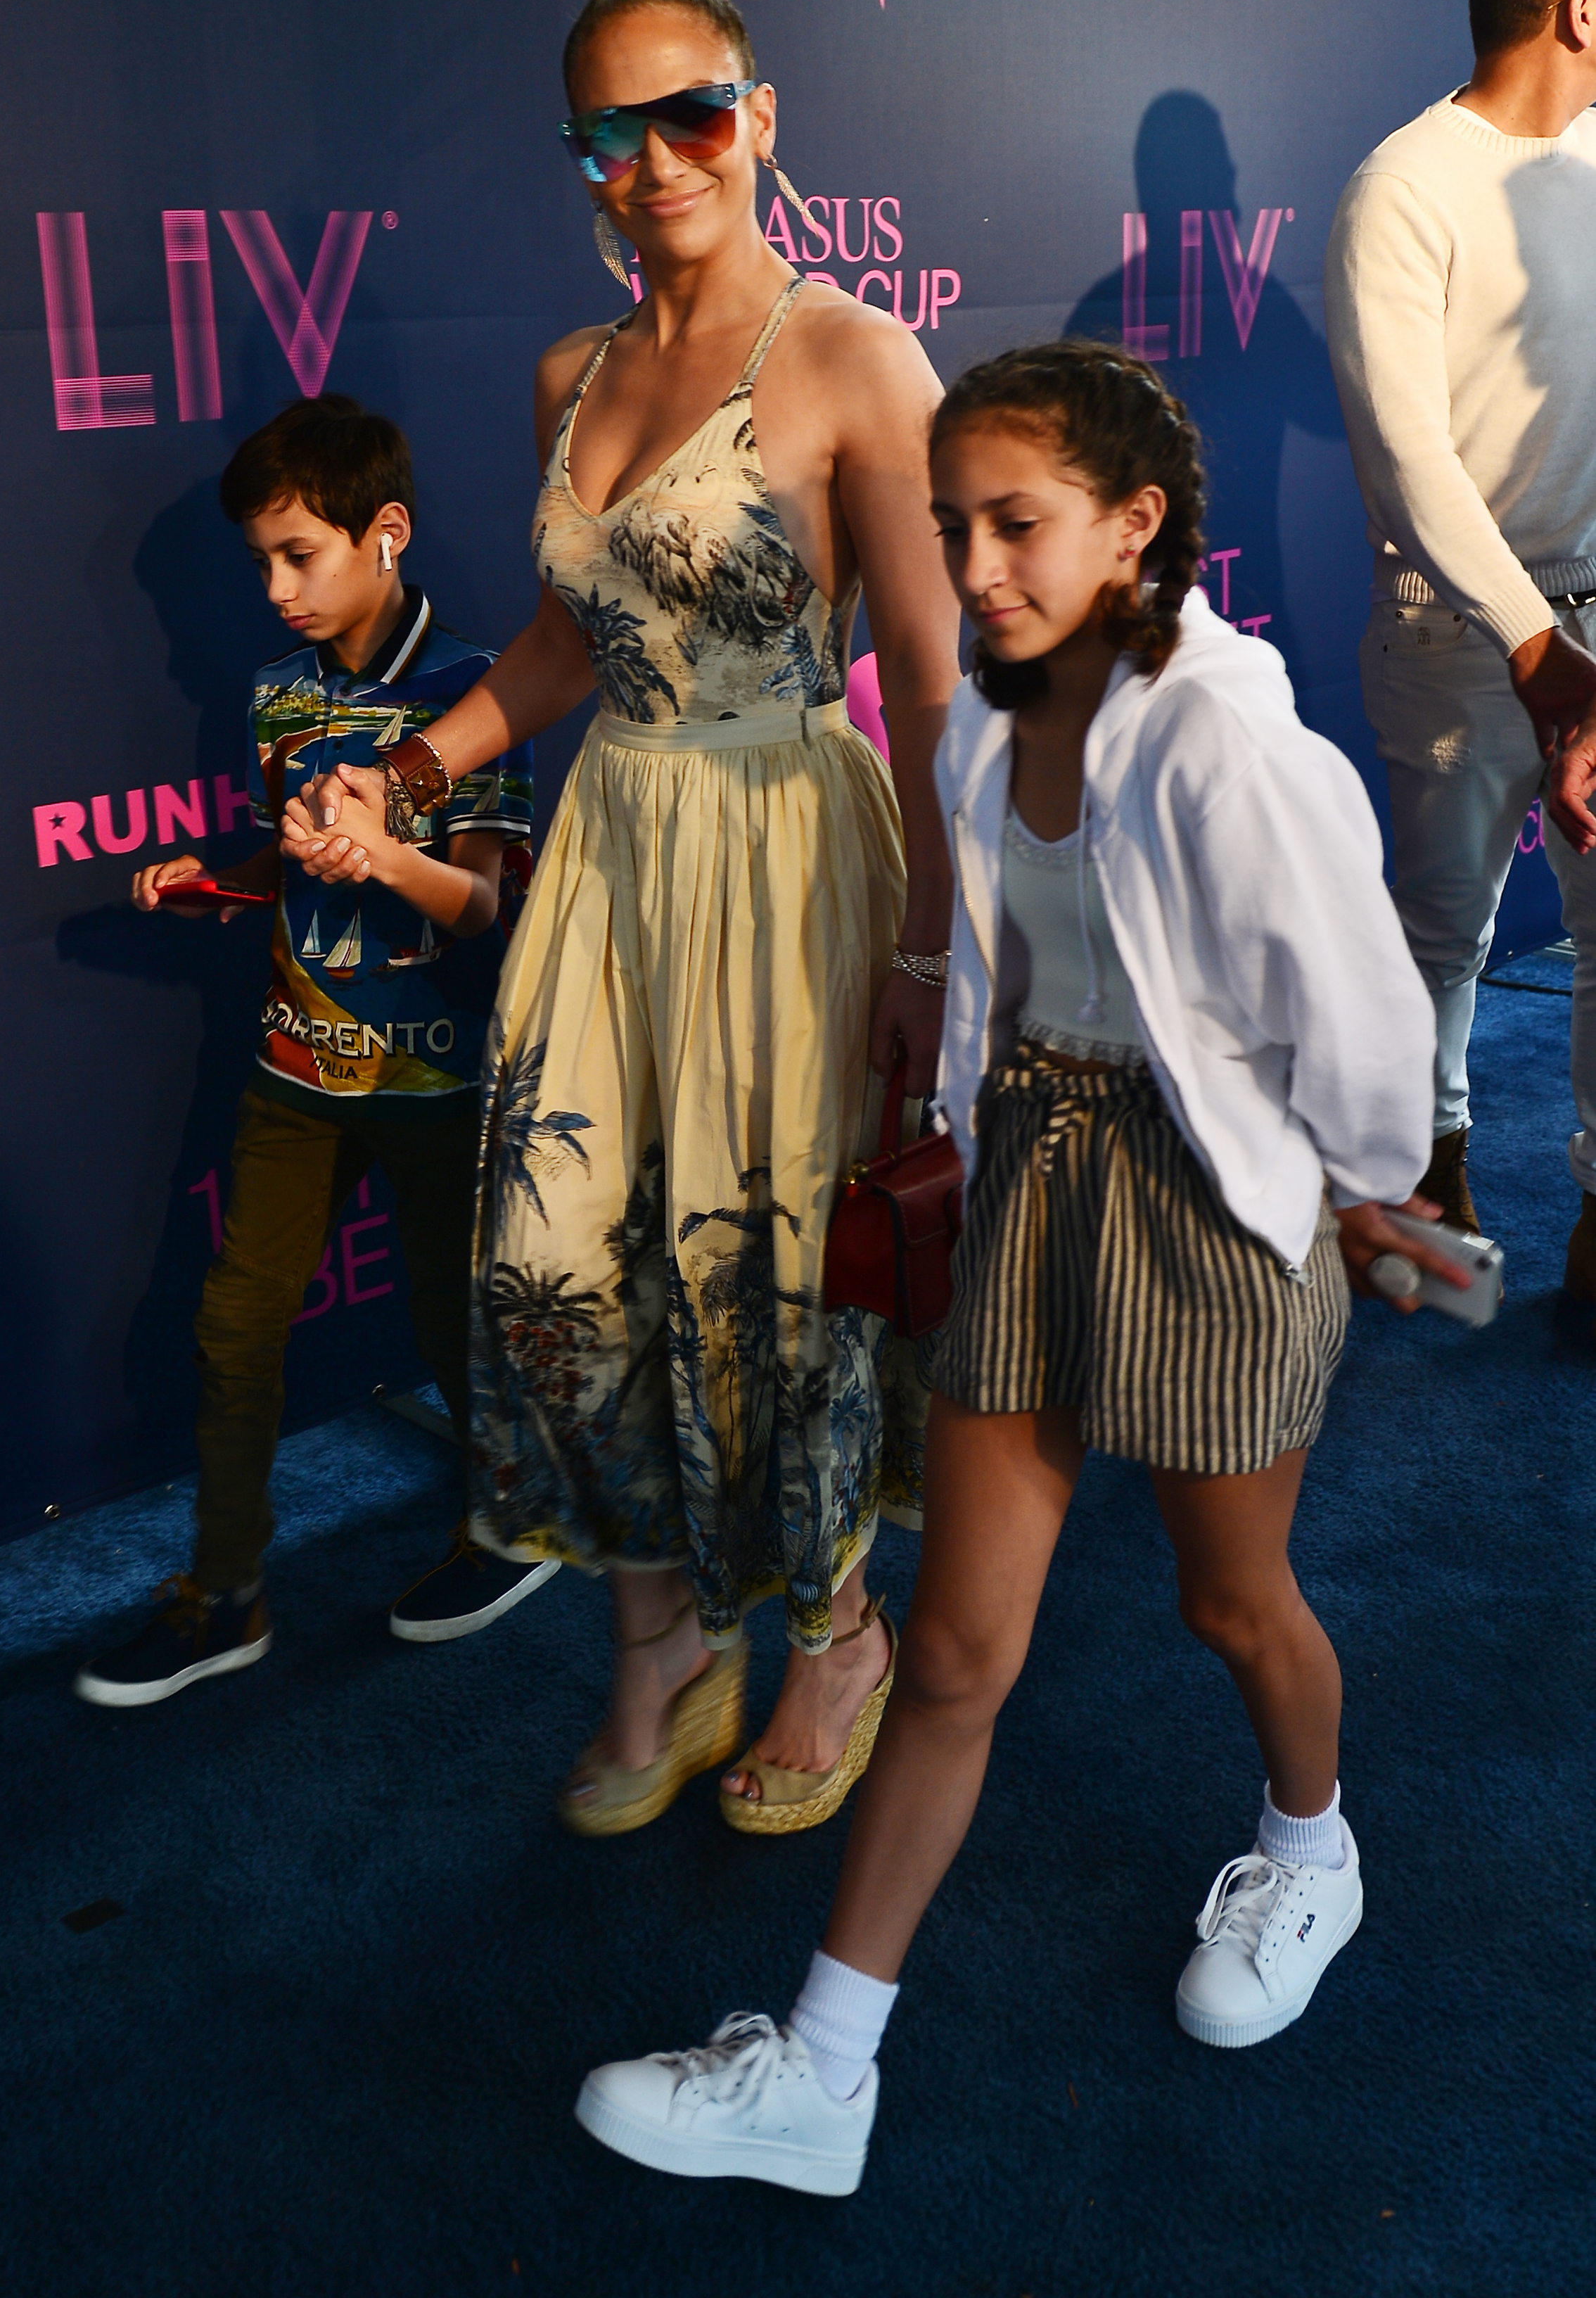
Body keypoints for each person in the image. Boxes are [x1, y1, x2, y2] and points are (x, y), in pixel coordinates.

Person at [570, 343, 1464, 2193]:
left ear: (1137, 527)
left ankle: (1308, 1854)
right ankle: (821, 2077)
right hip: (1036, 1193)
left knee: (1231, 1607)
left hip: (1217, 1213)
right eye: (950, 523)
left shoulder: (1227, 743)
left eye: (1022, 524)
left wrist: (1351, 1189)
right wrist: (984, 1164)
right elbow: (986, 991)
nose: (976, 564)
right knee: (957, 1653)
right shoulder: (974, 722)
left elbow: (1358, 1016)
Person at [285, 0, 960, 1834]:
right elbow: (569, 646)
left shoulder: (851, 355)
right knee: (558, 1268)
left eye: (690, 117)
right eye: (608, 131)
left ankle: (828, 1629)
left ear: (758, 114)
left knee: (762, 1271)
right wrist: (415, 768)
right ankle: (660, 1644)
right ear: (574, 152)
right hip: (610, 851)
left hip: (784, 849)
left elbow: (924, 691)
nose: (652, 161)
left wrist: (922, 958)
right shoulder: (566, 376)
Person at [75, 395, 547, 1708]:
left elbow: (488, 907)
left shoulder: (471, 690)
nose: (277, 588)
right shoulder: (276, 697)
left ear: (383, 534)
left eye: (302, 554)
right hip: (294, 1077)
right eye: (260, 562)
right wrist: (209, 881)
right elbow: (295, 875)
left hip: (438, 1086)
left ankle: (509, 1528)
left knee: (458, 1334)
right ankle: (224, 1595)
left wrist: (390, 854)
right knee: (233, 1330)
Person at [1324, 0, 1596, 1249]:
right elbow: (1406, 457)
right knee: (1444, 937)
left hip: (1594, 631)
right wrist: (1536, 647)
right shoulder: (1402, 186)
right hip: (1462, 638)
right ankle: (1428, 1171)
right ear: (1583, 12)